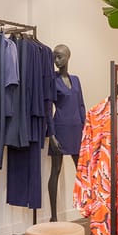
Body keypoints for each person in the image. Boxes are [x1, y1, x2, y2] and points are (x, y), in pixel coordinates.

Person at [47, 44, 85, 222]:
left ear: (68, 57)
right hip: (60, 128)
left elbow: (81, 105)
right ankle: (54, 216)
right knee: (55, 170)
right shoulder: (52, 80)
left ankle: (86, 210)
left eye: (60, 56)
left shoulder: (76, 80)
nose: (56, 60)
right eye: (54, 57)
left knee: (82, 171)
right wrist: (51, 135)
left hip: (77, 129)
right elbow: (48, 109)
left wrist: (86, 129)